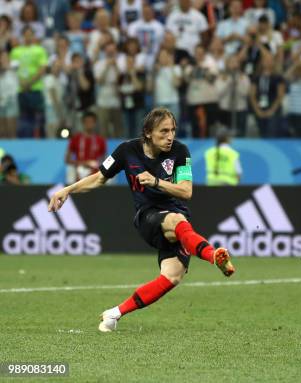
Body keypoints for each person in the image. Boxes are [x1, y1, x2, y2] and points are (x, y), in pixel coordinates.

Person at [48, 107, 236, 333]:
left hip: (178, 217)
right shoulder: (127, 150)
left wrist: (156, 182)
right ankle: (213, 256)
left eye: (173, 130)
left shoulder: (180, 151)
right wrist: (67, 190)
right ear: (148, 132)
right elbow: (99, 178)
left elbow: (186, 192)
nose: (170, 137)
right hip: (148, 216)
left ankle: (114, 314)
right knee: (175, 221)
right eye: (163, 131)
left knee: (172, 276)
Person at [65, 111, 107, 183]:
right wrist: (84, 163)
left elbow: (104, 160)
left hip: (95, 170)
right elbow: (67, 159)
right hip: (79, 169)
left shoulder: (100, 140)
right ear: (83, 123)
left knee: (109, 171)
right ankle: (70, 191)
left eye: (91, 122)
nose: (89, 124)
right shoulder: (75, 139)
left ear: (95, 123)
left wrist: (96, 164)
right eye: (87, 122)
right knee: (70, 169)